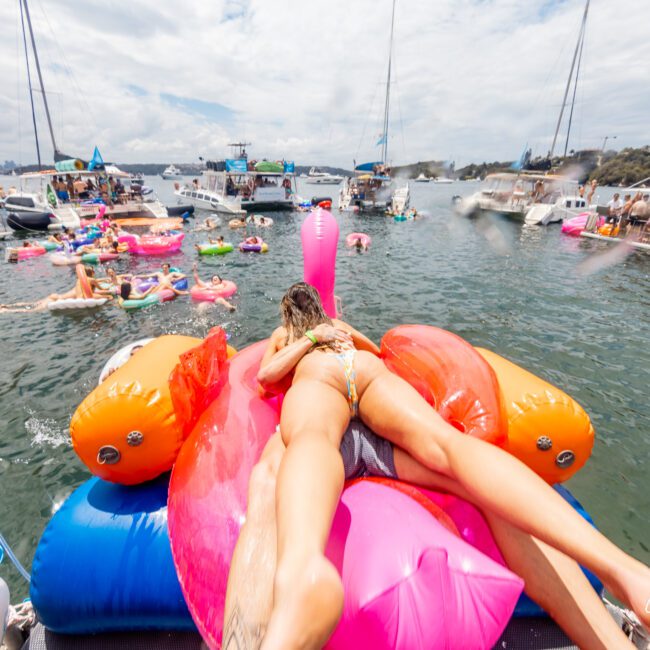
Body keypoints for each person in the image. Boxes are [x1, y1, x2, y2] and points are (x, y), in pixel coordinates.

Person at [252, 283, 650, 649]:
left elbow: (265, 379)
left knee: (311, 439)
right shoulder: (335, 326)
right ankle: (623, 570)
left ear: (288, 314)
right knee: (448, 446)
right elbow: (374, 352)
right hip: (367, 378)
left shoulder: (288, 335)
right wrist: (335, 335)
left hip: (322, 383)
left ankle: (303, 569)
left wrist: (306, 342)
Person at [223, 424, 633, 649]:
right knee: (455, 456)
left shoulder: (303, 355)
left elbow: (271, 372)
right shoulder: (360, 358)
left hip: (327, 430)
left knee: (274, 475)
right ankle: (621, 580)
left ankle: (299, 573)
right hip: (383, 432)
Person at [0, 266, 103, 312]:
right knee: (31, 310)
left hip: (55, 296)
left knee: (31, 304)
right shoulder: (88, 282)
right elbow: (100, 288)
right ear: (91, 274)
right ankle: (5, 310)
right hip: (56, 300)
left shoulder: (80, 281)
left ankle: (7, 305)